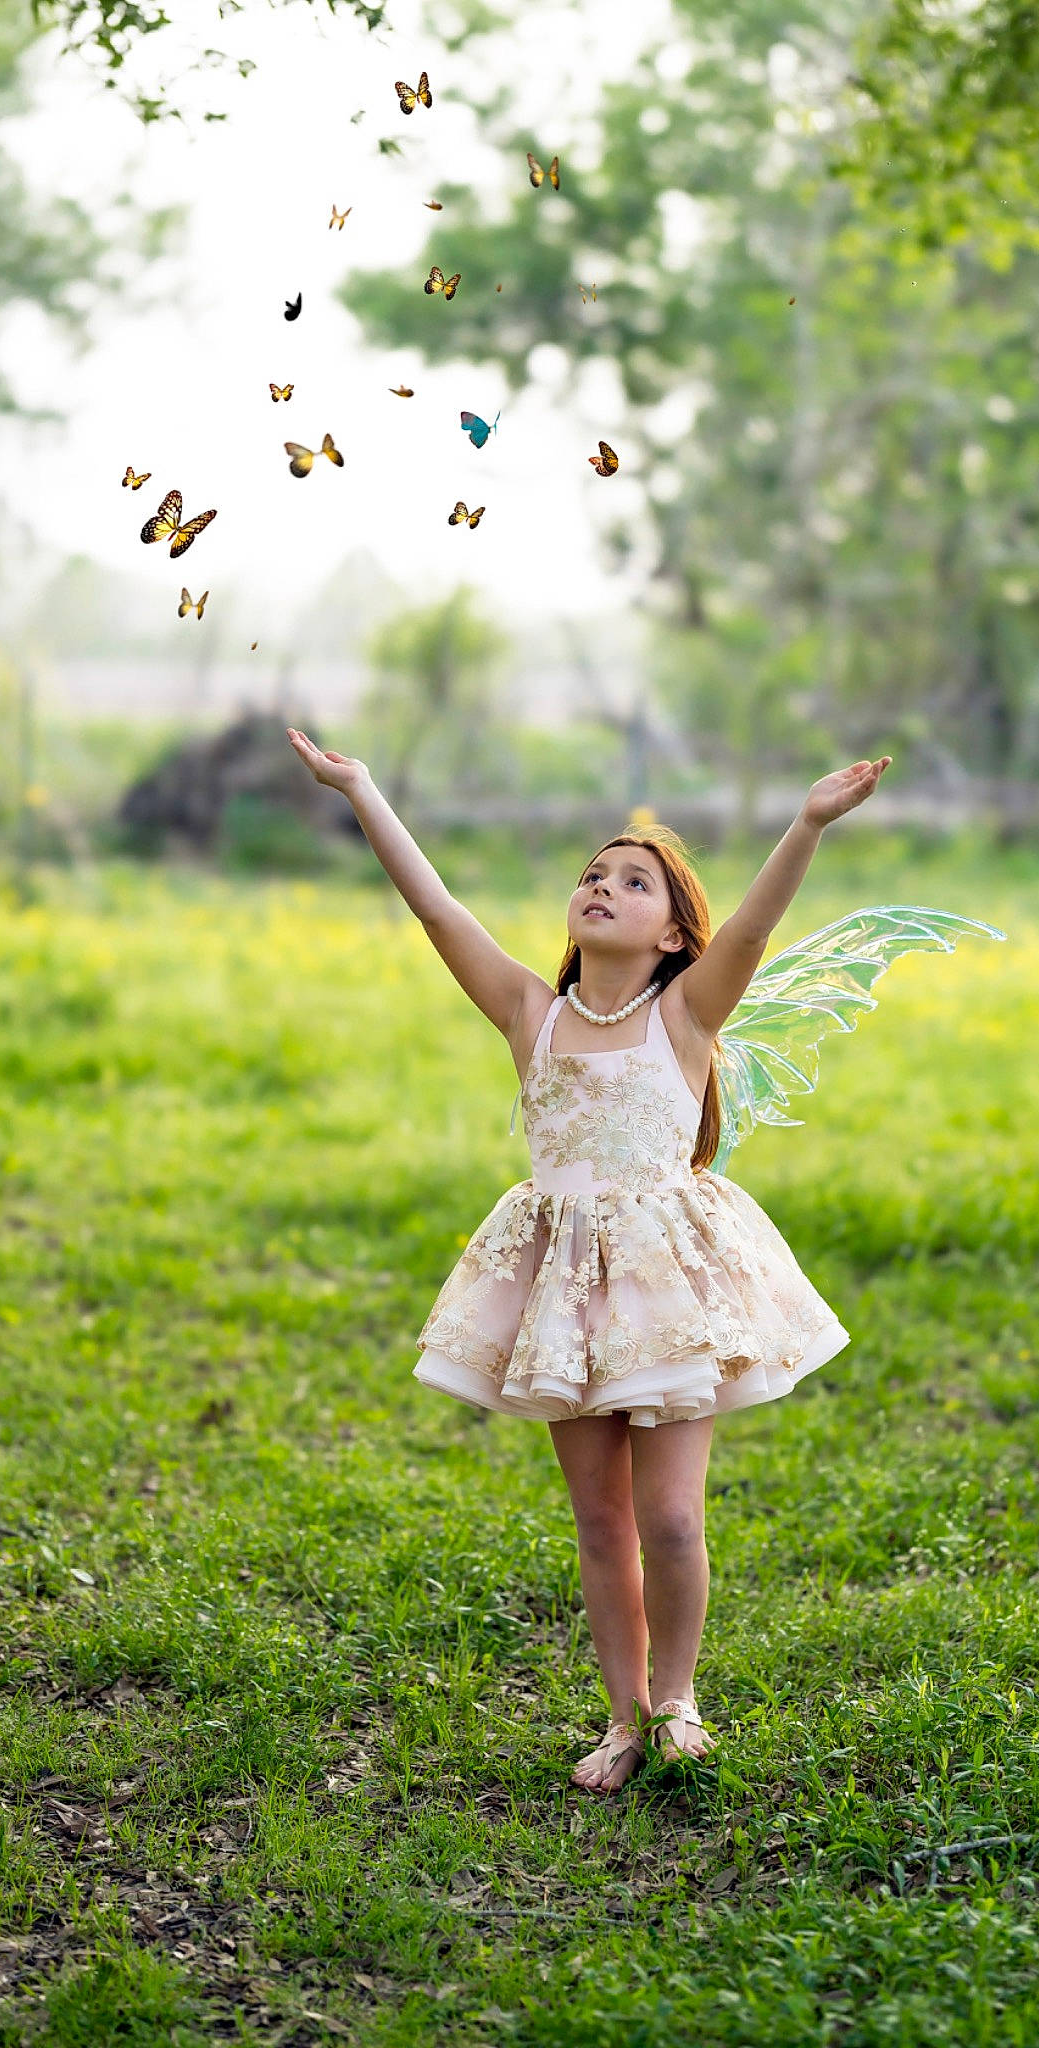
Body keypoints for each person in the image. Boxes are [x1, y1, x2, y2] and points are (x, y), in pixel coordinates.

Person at [287, 728, 892, 1795]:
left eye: (632, 881)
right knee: (602, 1518)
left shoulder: (687, 1012)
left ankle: (678, 1697)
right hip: (563, 1289)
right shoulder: (533, 1012)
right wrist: (363, 788)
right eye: (591, 876)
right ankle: (621, 1712)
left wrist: (806, 822)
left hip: (669, 1287)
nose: (601, 888)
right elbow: (437, 908)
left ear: (671, 933)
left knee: (669, 1515)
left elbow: (753, 927)